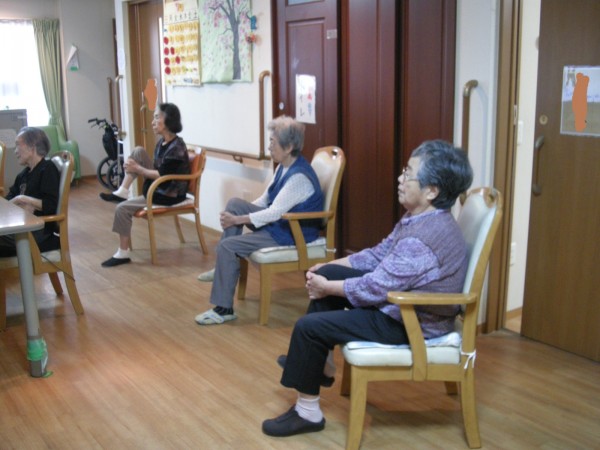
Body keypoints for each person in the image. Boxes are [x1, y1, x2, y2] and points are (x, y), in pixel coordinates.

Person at [262, 139, 473, 437]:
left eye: (408, 174)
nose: (399, 179)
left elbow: (375, 287)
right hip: (401, 307)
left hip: (411, 322)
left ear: (432, 190)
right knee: (330, 274)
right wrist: (328, 268)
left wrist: (327, 287)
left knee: (309, 328)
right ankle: (321, 363)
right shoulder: (420, 218)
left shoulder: (422, 239)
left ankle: (307, 413)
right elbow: (377, 255)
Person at [194, 116, 324, 325]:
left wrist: (237, 220)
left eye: (273, 142)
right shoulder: (284, 166)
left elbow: (273, 212)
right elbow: (265, 200)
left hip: (291, 233)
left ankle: (223, 309)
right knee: (235, 203)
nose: (269, 146)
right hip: (280, 225)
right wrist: (238, 215)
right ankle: (222, 268)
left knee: (228, 246)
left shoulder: (298, 177)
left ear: (289, 147)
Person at [100, 102, 190, 267]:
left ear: (168, 120)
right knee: (138, 151)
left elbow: (163, 176)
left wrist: (138, 169)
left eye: (156, 117)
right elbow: (158, 170)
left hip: (168, 194)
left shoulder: (177, 148)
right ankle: (123, 190)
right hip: (159, 187)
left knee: (121, 209)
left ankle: (123, 253)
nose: (152, 122)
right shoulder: (162, 143)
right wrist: (136, 166)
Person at [0, 127, 60, 257]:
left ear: (32, 147)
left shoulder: (47, 168)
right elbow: (8, 201)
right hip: (22, 227)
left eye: (18, 145)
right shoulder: (23, 175)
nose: (15, 151)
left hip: (38, 231)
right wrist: (19, 203)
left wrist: (22, 199)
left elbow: (51, 205)